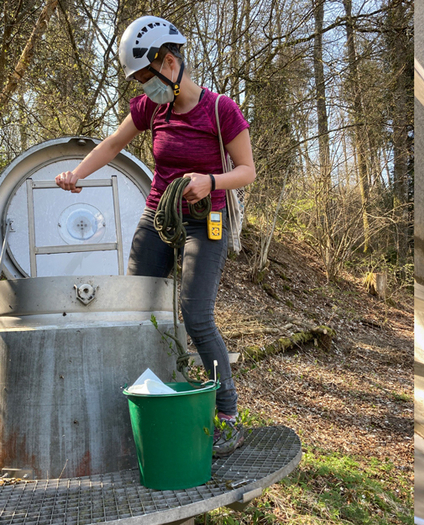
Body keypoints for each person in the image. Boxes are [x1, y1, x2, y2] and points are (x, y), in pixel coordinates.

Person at [55, 16, 256, 455]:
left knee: (195, 314)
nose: (146, 88)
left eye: (148, 77)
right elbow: (112, 145)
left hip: (206, 221)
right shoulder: (151, 108)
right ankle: (153, 398)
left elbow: (247, 171)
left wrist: (211, 180)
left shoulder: (221, 109)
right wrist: (77, 173)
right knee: (135, 307)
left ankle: (227, 415)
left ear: (170, 62)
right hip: (157, 219)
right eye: (140, 81)